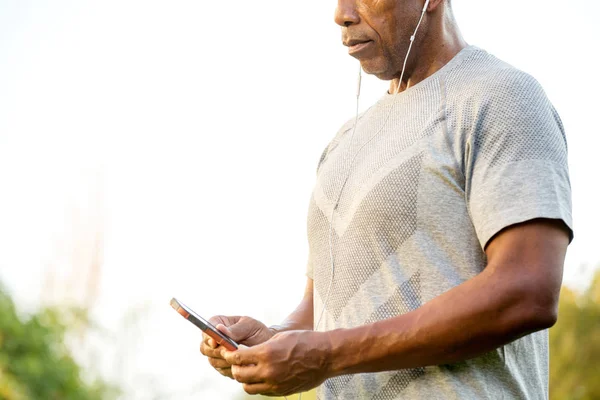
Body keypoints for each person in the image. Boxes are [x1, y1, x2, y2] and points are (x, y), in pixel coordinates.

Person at [200, 0, 573, 398]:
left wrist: (328, 354)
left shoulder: (500, 97)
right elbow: (324, 307)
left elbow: (527, 290)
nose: (341, 14)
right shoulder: (342, 142)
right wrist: (274, 337)